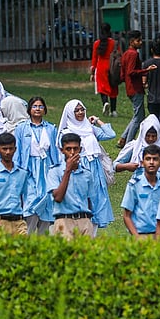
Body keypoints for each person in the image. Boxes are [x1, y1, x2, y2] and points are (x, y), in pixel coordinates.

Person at [55, 98, 116, 229]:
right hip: (79, 167)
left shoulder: (90, 128)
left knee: (97, 198)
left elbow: (110, 134)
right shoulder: (66, 132)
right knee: (83, 197)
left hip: (95, 167)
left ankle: (93, 230)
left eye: (82, 109)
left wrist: (97, 120)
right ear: (70, 113)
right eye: (76, 110)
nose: (80, 112)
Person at [14, 97, 59, 234]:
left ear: (44, 110)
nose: (38, 109)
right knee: (31, 199)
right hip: (29, 168)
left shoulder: (51, 129)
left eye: (40, 106)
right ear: (29, 110)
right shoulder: (21, 128)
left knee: (47, 198)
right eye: (34, 106)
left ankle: (43, 234)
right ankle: (27, 233)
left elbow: (55, 152)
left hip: (46, 168)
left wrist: (56, 170)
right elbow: (18, 151)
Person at [47, 133, 99, 239]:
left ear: (80, 149)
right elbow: (58, 197)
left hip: (84, 220)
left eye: (75, 149)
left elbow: (89, 200)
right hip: (64, 220)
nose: (72, 153)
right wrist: (68, 170)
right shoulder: (54, 172)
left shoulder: (87, 174)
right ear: (62, 150)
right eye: (68, 149)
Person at [0, 133, 31, 235]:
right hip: (0, 220)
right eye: (4, 149)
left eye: (10, 148)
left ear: (15, 149)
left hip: (19, 221)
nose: (8, 152)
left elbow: (24, 196)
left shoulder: (22, 173)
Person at [121, 143, 160, 240]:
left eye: (155, 159)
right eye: (148, 159)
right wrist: (136, 237)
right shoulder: (134, 185)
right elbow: (127, 216)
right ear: (142, 163)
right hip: (140, 235)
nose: (151, 162)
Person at [117, 30, 154, 147]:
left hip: (129, 88)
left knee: (137, 116)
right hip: (135, 88)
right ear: (132, 41)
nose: (141, 43)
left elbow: (123, 75)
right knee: (139, 118)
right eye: (139, 40)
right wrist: (146, 70)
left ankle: (123, 138)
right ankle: (128, 143)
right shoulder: (133, 54)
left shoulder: (125, 54)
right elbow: (131, 72)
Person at [115, 114, 160, 180]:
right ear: (143, 134)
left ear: (158, 134)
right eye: (148, 136)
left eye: (153, 136)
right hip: (139, 183)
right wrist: (126, 166)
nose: (151, 139)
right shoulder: (136, 146)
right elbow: (115, 166)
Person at [90, 23, 120, 117]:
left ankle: (105, 103)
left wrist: (92, 72)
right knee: (113, 88)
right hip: (112, 67)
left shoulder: (97, 43)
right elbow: (119, 55)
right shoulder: (114, 43)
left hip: (101, 67)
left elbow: (94, 58)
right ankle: (114, 110)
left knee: (102, 88)